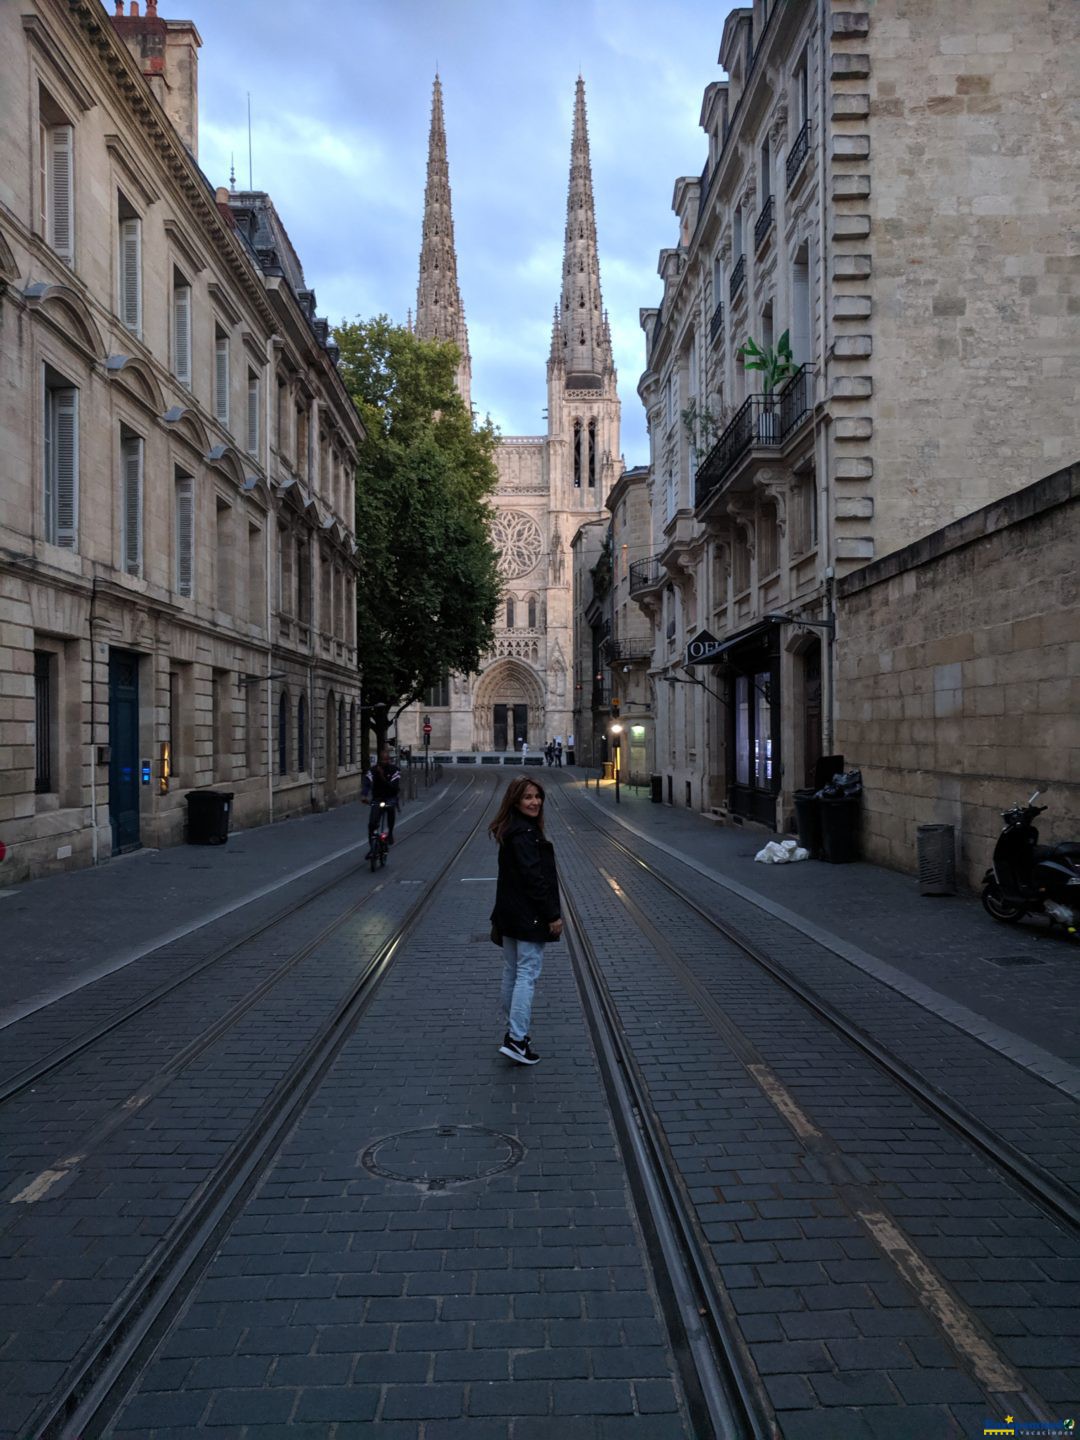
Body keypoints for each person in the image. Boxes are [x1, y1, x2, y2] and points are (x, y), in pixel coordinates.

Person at [489, 777, 562, 1064]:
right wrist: (552, 915)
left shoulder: (511, 829)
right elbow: (535, 879)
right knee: (525, 976)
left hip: (509, 913)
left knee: (512, 972)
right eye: (528, 797)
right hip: (527, 916)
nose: (534, 802)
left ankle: (514, 1033)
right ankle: (517, 1039)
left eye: (537, 796)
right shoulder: (525, 834)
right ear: (515, 801)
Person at [362, 746, 400, 852]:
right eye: (382, 760)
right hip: (378, 797)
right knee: (372, 823)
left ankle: (390, 833)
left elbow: (394, 787)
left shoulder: (394, 770)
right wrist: (364, 795)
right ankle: (372, 846)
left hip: (390, 797)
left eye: (385, 760)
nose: (383, 762)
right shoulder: (373, 770)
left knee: (391, 809)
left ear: (389, 760)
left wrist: (382, 776)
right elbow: (367, 783)